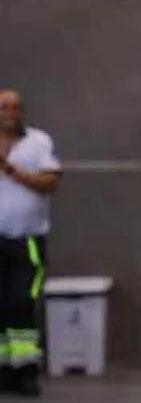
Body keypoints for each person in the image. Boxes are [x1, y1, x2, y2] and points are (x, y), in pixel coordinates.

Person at [0, 90, 60, 397]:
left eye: (15, 107)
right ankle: (4, 371)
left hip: (27, 240)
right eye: (4, 107)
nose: (10, 112)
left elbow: (51, 182)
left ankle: (25, 371)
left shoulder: (38, 142)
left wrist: (10, 169)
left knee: (21, 304)